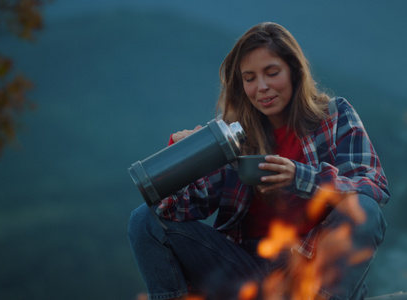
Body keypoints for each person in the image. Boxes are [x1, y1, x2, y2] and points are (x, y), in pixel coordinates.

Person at [128, 22, 389, 300]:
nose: (261, 87)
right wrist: (183, 160)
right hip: (245, 271)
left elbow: (373, 188)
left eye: (272, 73)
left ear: (294, 72)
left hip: (311, 270)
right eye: (250, 78)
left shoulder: (335, 116)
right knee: (143, 220)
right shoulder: (231, 136)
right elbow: (172, 211)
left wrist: (302, 179)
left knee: (364, 209)